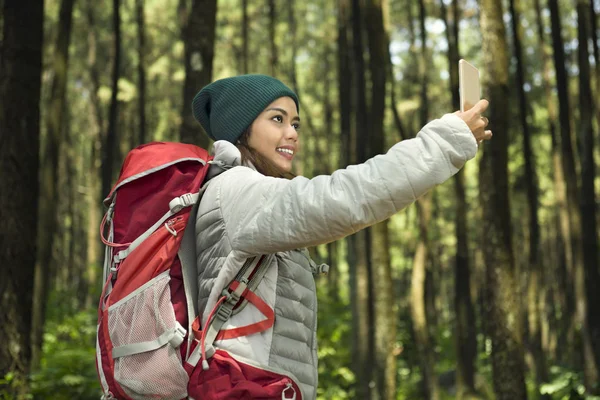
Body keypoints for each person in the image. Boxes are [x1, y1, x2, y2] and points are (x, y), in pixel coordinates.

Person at [191, 74, 491, 400]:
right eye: (277, 119)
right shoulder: (236, 190)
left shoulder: (243, 192)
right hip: (241, 386)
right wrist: (444, 142)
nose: (292, 133)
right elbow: (344, 198)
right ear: (241, 126)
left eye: (296, 124)